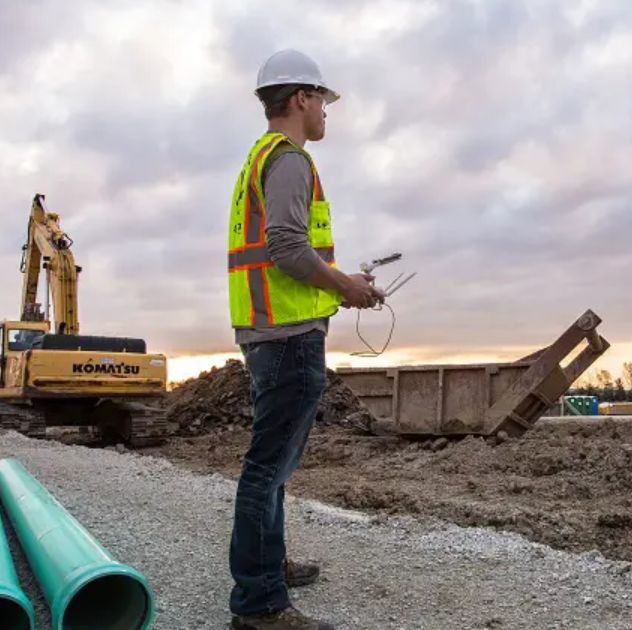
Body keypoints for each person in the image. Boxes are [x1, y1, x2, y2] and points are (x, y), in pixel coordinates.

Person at [225, 49, 379, 630]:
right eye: (323, 101)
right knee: (268, 466)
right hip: (287, 336)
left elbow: (282, 252)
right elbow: (288, 249)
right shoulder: (289, 160)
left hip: (270, 327)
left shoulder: (258, 158)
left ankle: (270, 565)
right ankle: (259, 605)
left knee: (276, 464)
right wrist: (348, 287)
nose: (326, 113)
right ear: (299, 100)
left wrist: (338, 287)